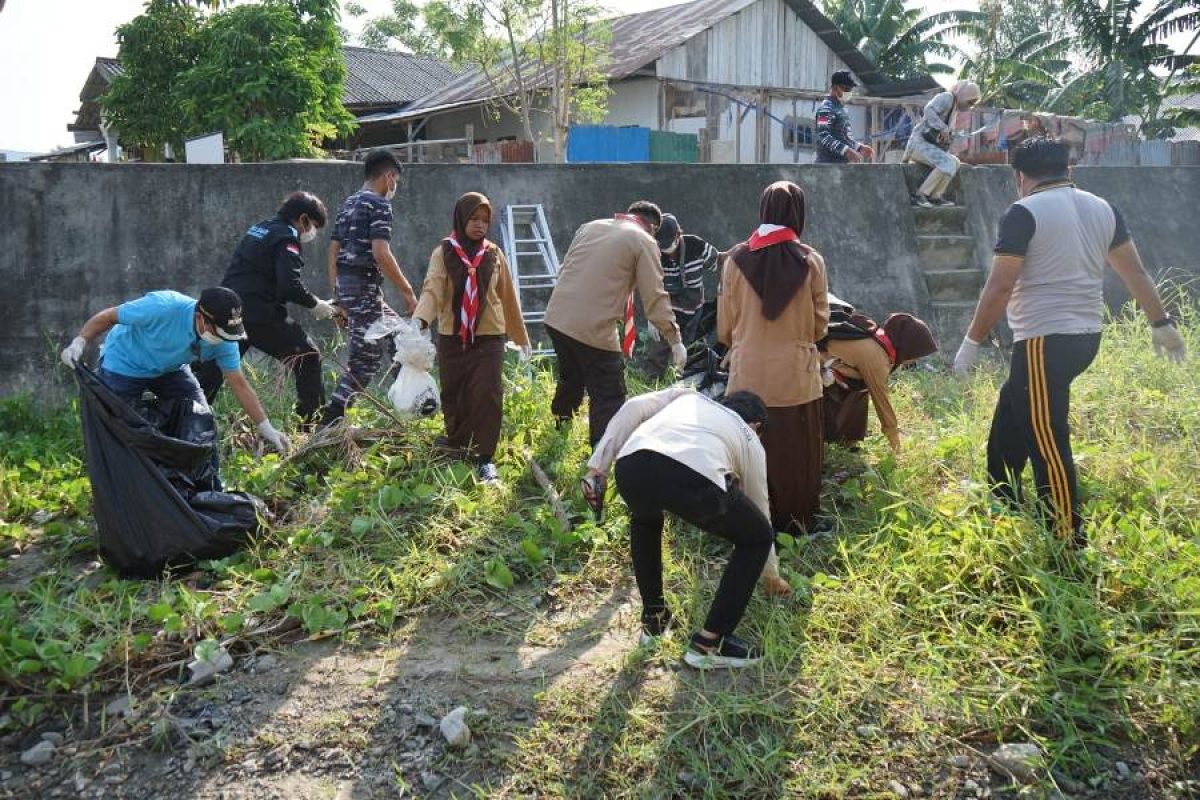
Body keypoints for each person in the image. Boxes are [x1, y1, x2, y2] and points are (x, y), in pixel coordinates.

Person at [953, 137, 1186, 545]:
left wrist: (971, 341)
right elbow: (1135, 274)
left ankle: (1067, 540)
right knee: (1013, 406)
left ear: (1019, 177)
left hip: (1046, 340)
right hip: (1084, 337)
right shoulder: (1103, 208)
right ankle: (1000, 494)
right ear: (1068, 170)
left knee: (1047, 439)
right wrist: (1160, 322)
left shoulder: (1023, 212)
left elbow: (1000, 285)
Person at [584, 388, 792, 669]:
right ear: (756, 425)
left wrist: (598, 466)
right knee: (756, 538)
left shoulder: (689, 397)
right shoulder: (748, 437)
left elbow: (633, 407)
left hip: (632, 462)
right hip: (691, 472)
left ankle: (654, 622)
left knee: (646, 521)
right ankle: (709, 644)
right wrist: (771, 578)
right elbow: (760, 511)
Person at [718, 181, 829, 533]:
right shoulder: (811, 261)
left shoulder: (734, 260)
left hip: (747, 377)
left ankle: (750, 524)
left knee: (749, 452)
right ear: (798, 214)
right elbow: (820, 324)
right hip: (796, 378)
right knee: (797, 457)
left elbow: (725, 327)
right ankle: (797, 523)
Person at [60, 287, 291, 456]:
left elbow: (238, 383)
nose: (223, 340)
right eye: (219, 332)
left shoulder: (225, 339)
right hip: (125, 364)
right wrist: (79, 342)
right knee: (121, 426)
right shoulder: (162, 307)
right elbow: (109, 316)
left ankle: (205, 486)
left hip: (170, 369)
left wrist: (265, 426)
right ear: (200, 318)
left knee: (201, 419)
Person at [543, 201, 685, 445]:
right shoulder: (644, 240)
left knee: (572, 376)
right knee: (609, 393)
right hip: (593, 327)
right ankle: (602, 454)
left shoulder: (590, 227)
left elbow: (565, 268)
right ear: (652, 227)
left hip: (557, 317)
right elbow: (655, 296)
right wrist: (675, 339)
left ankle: (560, 429)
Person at [413, 192, 531, 484]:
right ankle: (458, 443)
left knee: (487, 393)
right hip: (453, 335)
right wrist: (420, 319)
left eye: (485, 220)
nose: (480, 225)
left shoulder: (493, 253)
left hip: (489, 336)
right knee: (455, 392)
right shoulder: (444, 252)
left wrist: (520, 336)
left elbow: (507, 296)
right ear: (461, 219)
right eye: (474, 219)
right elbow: (433, 288)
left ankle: (485, 458)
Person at [196, 191, 338, 428]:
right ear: (303, 219)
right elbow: (289, 285)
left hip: (228, 309)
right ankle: (311, 428)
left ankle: (185, 421)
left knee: (210, 373)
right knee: (308, 357)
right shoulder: (287, 237)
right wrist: (316, 305)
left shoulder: (261, 228)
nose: (310, 232)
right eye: (312, 226)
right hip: (259, 313)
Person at [320, 149, 419, 427]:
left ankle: (409, 402)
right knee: (365, 362)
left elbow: (333, 250)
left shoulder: (349, 203)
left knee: (399, 336)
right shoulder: (379, 205)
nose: (394, 187)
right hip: (363, 290)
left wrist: (338, 297)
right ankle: (330, 421)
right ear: (388, 177)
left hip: (352, 288)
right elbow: (381, 252)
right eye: (395, 180)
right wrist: (408, 291)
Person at [820, 310, 938, 451]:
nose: (915, 359)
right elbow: (882, 401)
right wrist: (895, 443)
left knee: (859, 388)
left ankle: (845, 440)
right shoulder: (877, 358)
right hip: (807, 364)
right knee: (859, 391)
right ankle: (841, 441)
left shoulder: (875, 340)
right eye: (916, 353)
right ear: (907, 346)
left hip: (817, 362)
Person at [645, 213, 720, 375]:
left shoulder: (696, 245)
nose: (666, 250)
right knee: (658, 351)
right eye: (662, 246)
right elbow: (649, 286)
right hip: (667, 310)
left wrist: (724, 287)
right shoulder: (654, 254)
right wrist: (652, 317)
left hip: (694, 310)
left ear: (678, 235)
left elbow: (718, 263)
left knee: (689, 349)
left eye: (668, 244)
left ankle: (682, 380)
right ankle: (652, 382)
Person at [904, 80, 980, 207]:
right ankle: (920, 195)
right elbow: (928, 110)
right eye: (970, 101)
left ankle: (935, 196)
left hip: (927, 146)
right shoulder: (947, 97)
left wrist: (949, 134)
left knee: (955, 162)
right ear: (963, 95)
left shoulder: (954, 108)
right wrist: (943, 128)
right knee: (948, 162)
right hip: (918, 144)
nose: (970, 105)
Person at [815, 70, 875, 164]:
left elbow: (844, 136)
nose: (849, 92)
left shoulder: (841, 108)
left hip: (840, 165)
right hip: (827, 166)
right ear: (835, 88)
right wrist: (846, 150)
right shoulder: (826, 108)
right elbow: (823, 136)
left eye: (850, 89)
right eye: (846, 89)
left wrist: (859, 148)